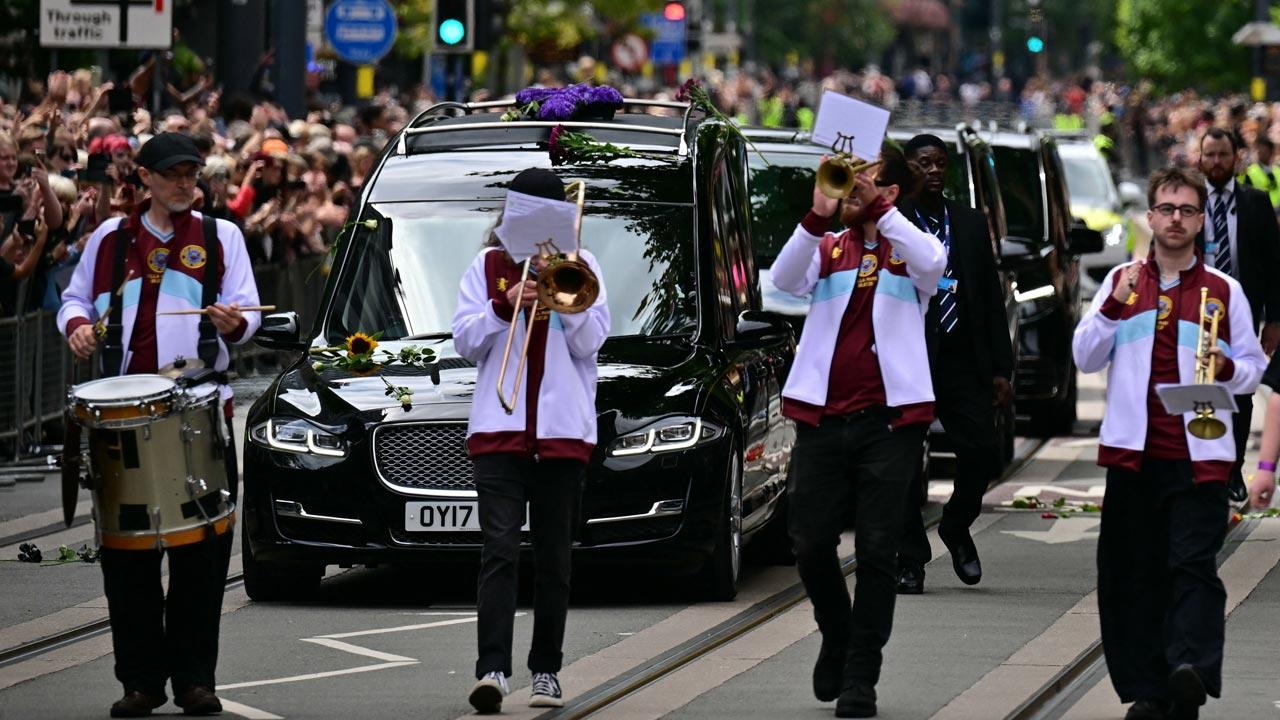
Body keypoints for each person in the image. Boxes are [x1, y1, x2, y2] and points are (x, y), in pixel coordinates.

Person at [56, 132, 262, 718]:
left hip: (198, 405)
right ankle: (142, 681)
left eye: (191, 173)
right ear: (143, 178)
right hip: (123, 415)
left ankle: (196, 679)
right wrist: (75, 326)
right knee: (128, 560)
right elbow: (75, 300)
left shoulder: (222, 237)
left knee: (202, 557)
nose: (184, 183)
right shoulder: (111, 239)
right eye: (172, 173)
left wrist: (232, 323)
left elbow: (249, 310)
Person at [1073, 166, 1265, 720]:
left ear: (1201, 220)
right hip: (1134, 457)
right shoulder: (1121, 282)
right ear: (1150, 217)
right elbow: (1084, 357)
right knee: (1130, 575)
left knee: (1191, 566)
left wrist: (1229, 368)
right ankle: (1150, 690)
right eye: (1167, 209)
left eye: (1186, 210)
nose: (1175, 219)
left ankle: (1189, 668)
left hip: (1199, 454)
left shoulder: (1224, 291)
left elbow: (1254, 366)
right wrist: (1112, 308)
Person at [771, 143, 945, 718]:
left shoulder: (906, 249)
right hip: (823, 421)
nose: (854, 186)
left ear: (890, 192)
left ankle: (860, 674)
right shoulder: (827, 246)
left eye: (867, 178)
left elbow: (934, 265)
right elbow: (783, 279)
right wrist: (817, 215)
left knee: (876, 550)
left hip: (888, 425)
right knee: (810, 541)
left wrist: (884, 213)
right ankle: (836, 633)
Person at [451, 168, 610, 714]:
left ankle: (547, 669)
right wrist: (505, 304)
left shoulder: (583, 269)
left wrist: (563, 300)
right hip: (499, 427)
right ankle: (492, 669)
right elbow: (466, 341)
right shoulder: (487, 266)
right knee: (498, 552)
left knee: (553, 557)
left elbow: (594, 342)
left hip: (562, 433)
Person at [896, 134, 1015, 594]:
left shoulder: (967, 222)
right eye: (924, 163)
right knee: (906, 462)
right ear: (909, 168)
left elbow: (988, 295)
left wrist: (1002, 368)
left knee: (981, 451)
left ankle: (956, 524)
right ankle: (910, 559)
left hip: (964, 357)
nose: (934, 170)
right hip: (911, 359)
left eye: (941, 163)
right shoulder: (895, 222)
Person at [1196, 128, 1280, 502]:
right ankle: (1205, 468)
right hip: (1196, 315)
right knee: (1203, 391)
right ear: (1200, 159)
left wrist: (1274, 320)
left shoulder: (1256, 202)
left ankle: (1232, 470)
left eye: (1223, 155)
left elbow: (1274, 263)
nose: (1216, 162)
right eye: (1209, 155)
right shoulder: (1191, 203)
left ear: (1236, 158)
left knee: (1241, 394)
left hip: (1243, 314)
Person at [1239, 135, 1280, 211]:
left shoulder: (1278, 170)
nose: (1261, 153)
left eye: (1265, 150)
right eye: (1259, 150)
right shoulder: (1249, 171)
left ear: (1271, 152)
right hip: (1260, 211)